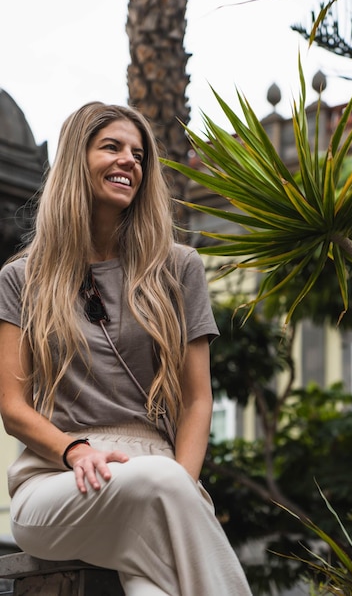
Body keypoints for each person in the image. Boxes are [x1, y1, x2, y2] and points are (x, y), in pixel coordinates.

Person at [0, 102, 253, 596]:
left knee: (153, 586)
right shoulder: (20, 278)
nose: (129, 162)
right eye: (112, 147)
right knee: (157, 493)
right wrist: (74, 449)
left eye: (138, 155)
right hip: (56, 484)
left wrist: (181, 484)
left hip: (159, 478)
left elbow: (198, 398)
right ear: (77, 160)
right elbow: (11, 406)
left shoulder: (179, 268)